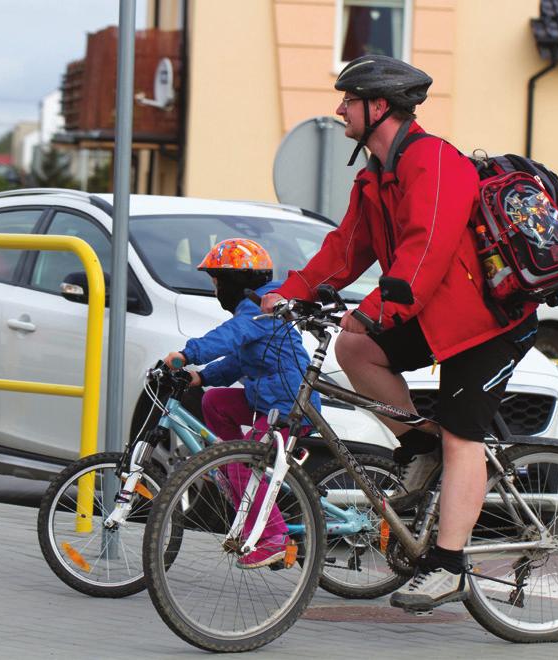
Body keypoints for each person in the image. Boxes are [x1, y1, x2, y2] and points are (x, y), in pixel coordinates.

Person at [261, 55, 539, 610]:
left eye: (349, 99)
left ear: (378, 106)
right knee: (355, 349)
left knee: (463, 436)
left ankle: (449, 564)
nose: (339, 108)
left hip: (487, 325)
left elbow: (425, 250)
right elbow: (345, 250)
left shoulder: (434, 161)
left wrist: (376, 307)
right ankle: (419, 446)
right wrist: (290, 292)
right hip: (435, 317)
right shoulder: (373, 177)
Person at [165, 237, 321, 569]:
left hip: (289, 405)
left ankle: (275, 536)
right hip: (268, 400)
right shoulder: (255, 311)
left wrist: (187, 354)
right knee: (216, 402)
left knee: (241, 466)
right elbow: (238, 358)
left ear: (233, 282)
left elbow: (230, 337)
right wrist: (201, 377)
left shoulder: (259, 312)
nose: (215, 289)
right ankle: (236, 462)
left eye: (216, 281)